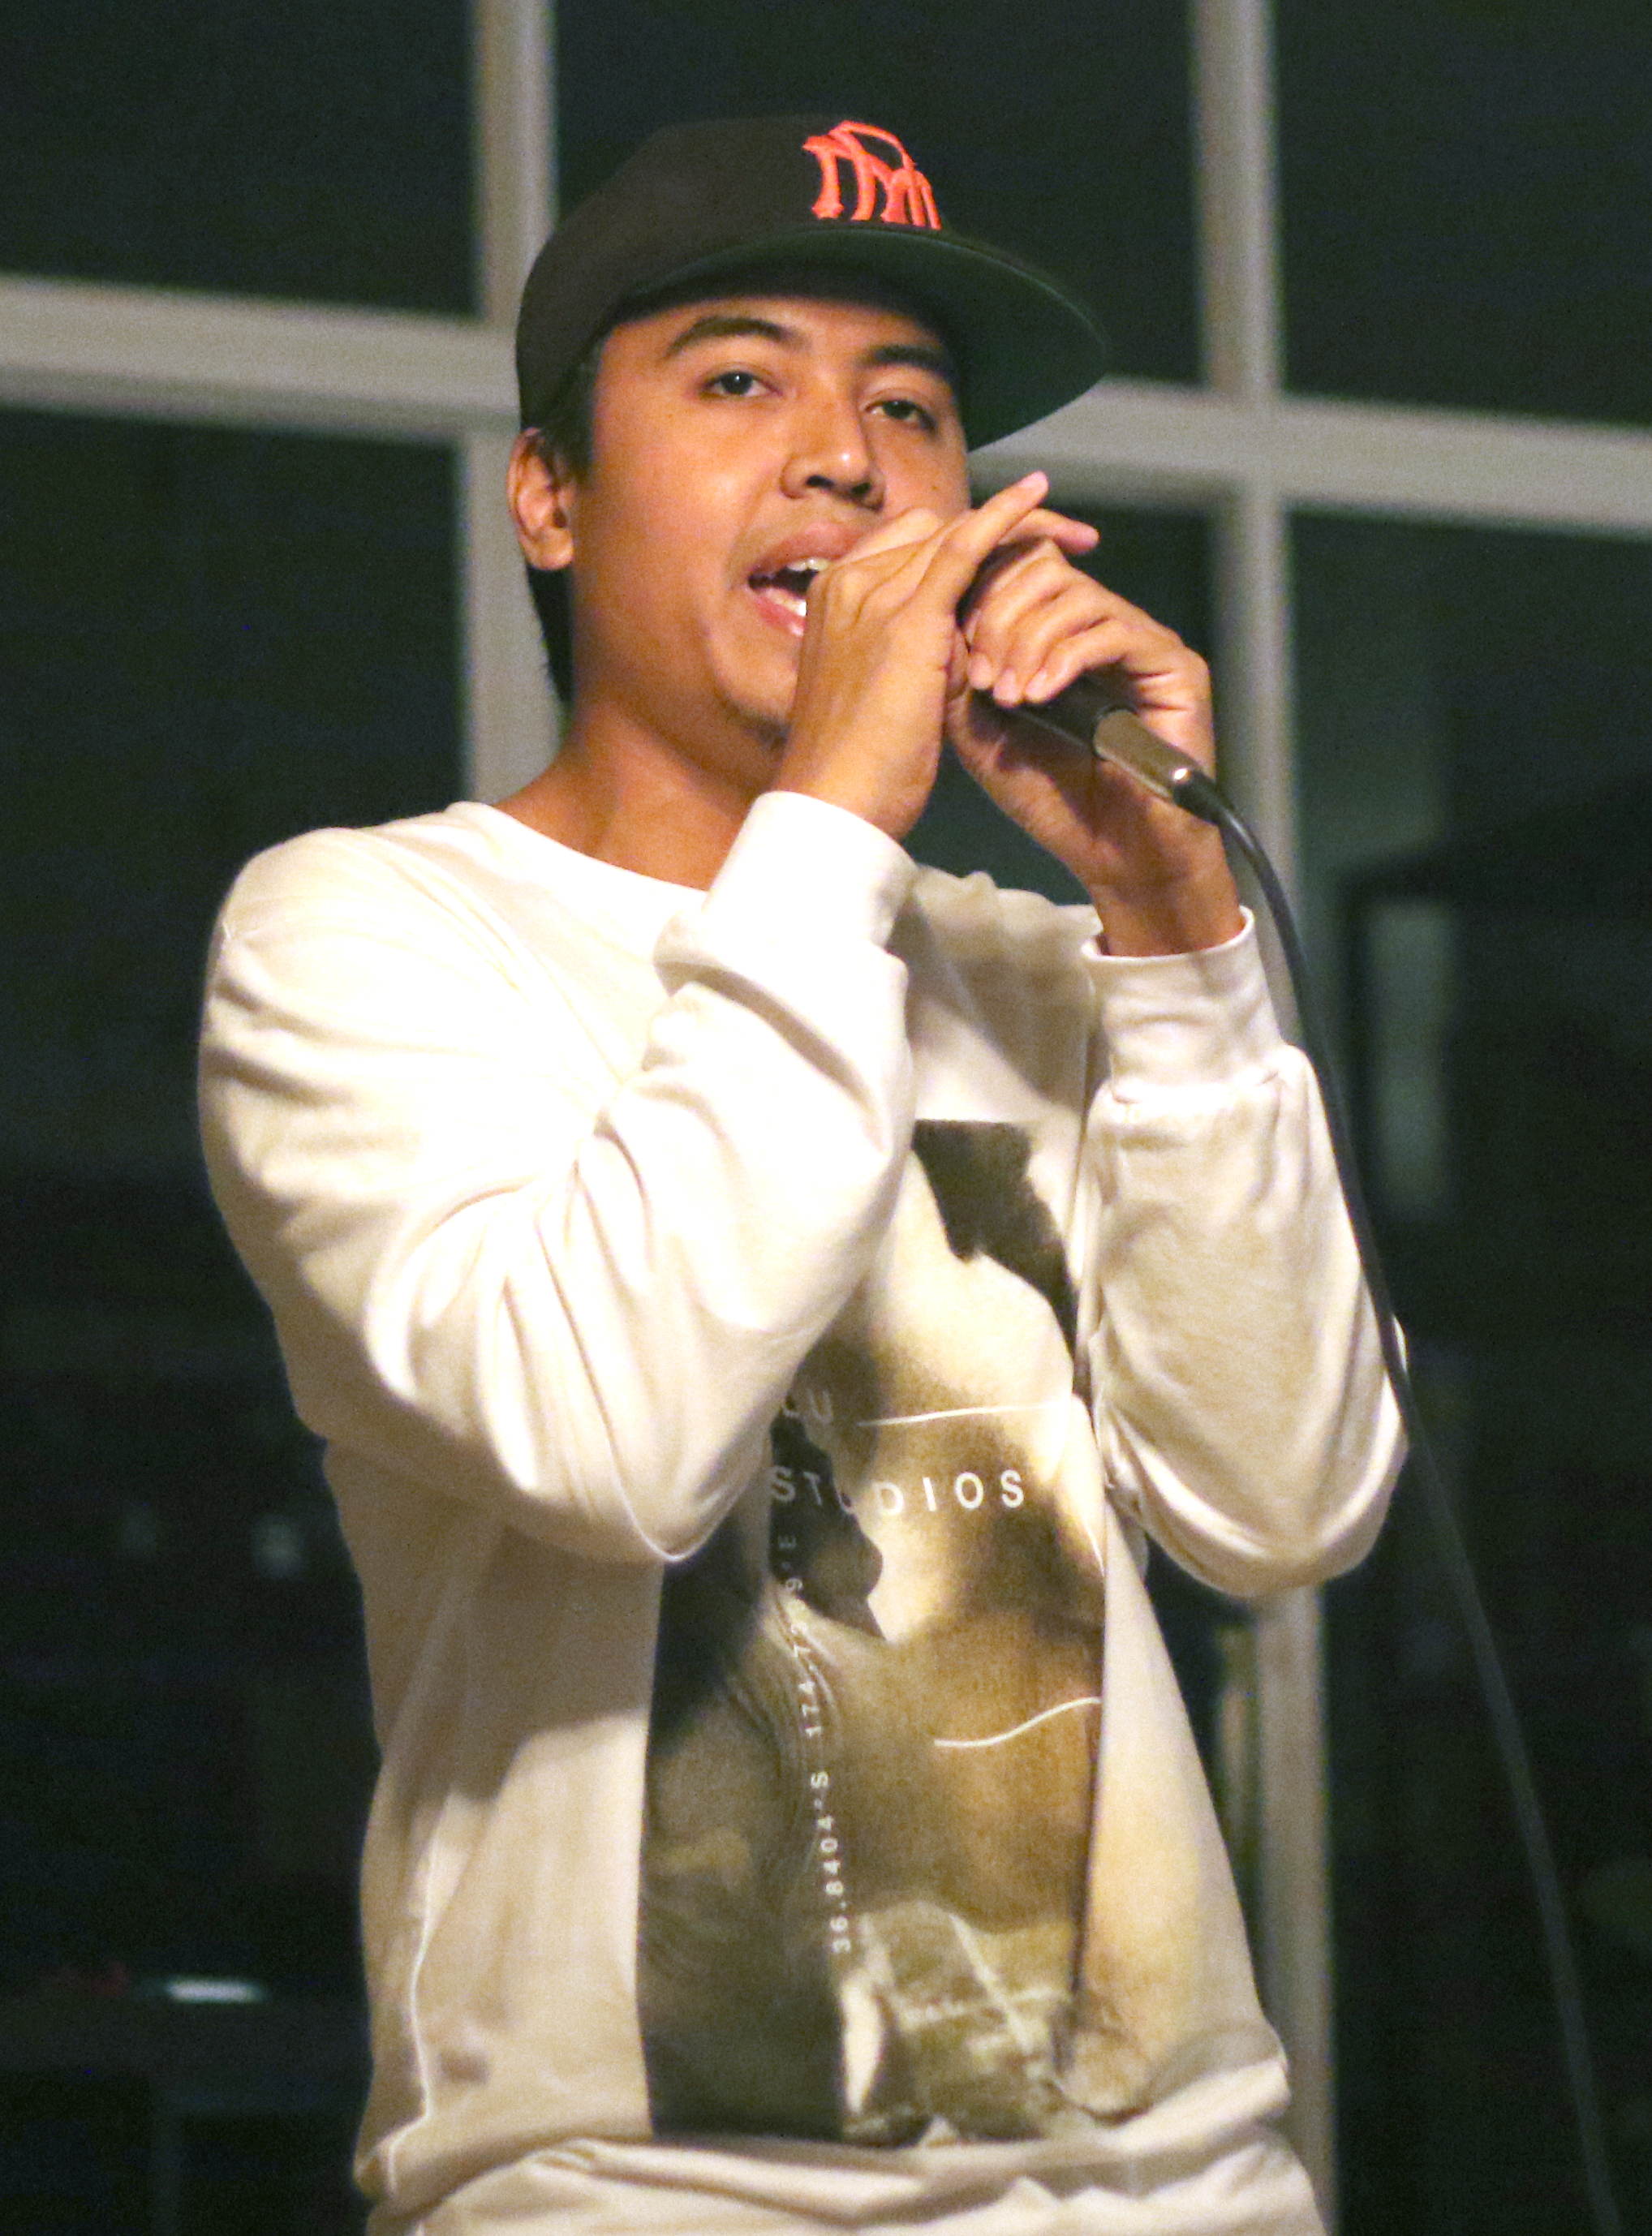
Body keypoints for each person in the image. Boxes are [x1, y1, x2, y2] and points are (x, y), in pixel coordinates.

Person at [199, 114, 1402, 2235]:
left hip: (1186, 2190)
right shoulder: (367, 936)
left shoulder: (1052, 971)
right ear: (550, 494)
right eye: (742, 378)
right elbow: (617, 1437)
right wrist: (837, 813)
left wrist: (1178, 936)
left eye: (911, 410)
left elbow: (1284, 1509)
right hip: (635, 2192)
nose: (845, 459)